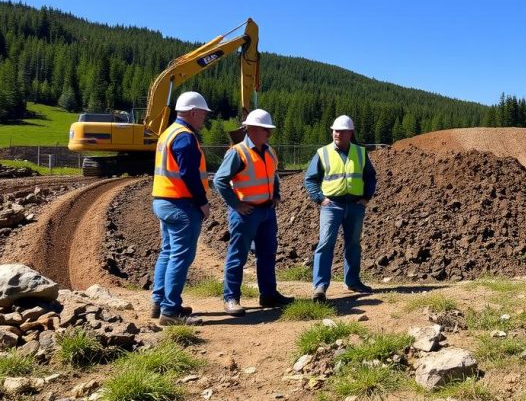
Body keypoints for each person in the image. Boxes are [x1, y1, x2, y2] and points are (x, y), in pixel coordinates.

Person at [212, 109, 293, 316]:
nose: (268, 133)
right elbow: (219, 181)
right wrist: (236, 204)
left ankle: (268, 295)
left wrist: (276, 194)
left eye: (268, 130)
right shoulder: (237, 152)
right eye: (265, 129)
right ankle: (231, 298)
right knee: (237, 255)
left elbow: (273, 175)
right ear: (253, 129)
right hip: (245, 213)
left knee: (267, 254)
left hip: (267, 211)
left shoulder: (269, 151)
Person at [151, 91, 211, 326]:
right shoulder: (185, 137)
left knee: (167, 252)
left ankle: (160, 302)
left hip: (164, 200)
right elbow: (188, 174)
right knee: (180, 256)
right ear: (193, 112)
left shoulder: (168, 133)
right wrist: (203, 202)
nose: (204, 119)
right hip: (181, 203)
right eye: (203, 114)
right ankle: (170, 311)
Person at [304, 115, 377, 302]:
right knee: (325, 244)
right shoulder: (323, 153)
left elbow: (370, 176)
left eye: (342, 131)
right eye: (335, 130)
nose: (338, 134)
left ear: (350, 133)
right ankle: (319, 287)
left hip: (355, 206)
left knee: (353, 244)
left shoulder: (360, 153)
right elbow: (310, 179)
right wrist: (320, 199)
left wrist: (366, 198)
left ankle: (352, 281)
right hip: (332, 206)